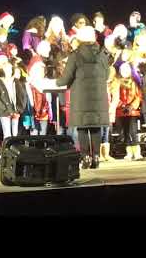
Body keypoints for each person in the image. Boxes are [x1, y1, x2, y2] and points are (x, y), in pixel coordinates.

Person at [43, 26, 110, 169]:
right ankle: (96, 157)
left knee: (82, 127)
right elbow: (107, 76)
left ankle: (85, 157)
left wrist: (56, 81)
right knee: (96, 127)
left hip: (81, 97)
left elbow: (66, 78)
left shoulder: (76, 55)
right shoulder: (103, 55)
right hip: (99, 97)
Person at [113, 62, 143, 161]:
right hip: (121, 110)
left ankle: (137, 152)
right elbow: (116, 96)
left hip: (132, 111)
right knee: (125, 132)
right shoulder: (117, 83)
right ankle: (129, 152)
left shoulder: (134, 82)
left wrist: (132, 106)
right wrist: (122, 105)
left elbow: (138, 96)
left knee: (133, 131)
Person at [0, 61, 27, 139]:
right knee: (7, 134)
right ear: (3, 70)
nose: (10, 71)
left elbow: (22, 95)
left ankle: (14, 148)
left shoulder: (16, 81)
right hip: (4, 111)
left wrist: (20, 107)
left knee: (15, 133)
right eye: (7, 69)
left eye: (10, 69)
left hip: (15, 109)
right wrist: (3, 108)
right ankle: (7, 150)